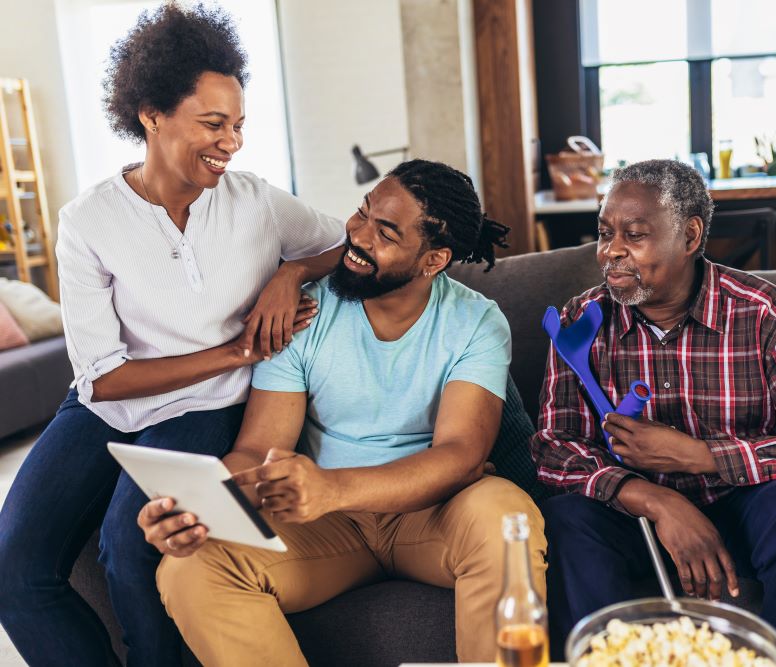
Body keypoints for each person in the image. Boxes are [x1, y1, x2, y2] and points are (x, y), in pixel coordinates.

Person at [0, 5, 345, 666]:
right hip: (105, 406)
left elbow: (342, 244)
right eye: (213, 123)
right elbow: (103, 376)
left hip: (204, 410)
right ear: (152, 114)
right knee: (14, 567)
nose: (231, 141)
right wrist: (237, 351)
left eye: (239, 124)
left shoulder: (257, 203)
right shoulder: (89, 220)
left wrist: (291, 271)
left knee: (130, 548)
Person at [143, 159, 546, 665]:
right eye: (362, 212)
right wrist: (196, 505)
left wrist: (332, 488)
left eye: (386, 232)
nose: (357, 235)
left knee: (505, 514)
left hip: (433, 516)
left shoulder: (476, 322)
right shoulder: (305, 313)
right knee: (189, 568)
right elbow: (255, 449)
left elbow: (462, 455)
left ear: (433, 260)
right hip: (327, 527)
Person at [532, 159, 776, 660]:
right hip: (634, 517)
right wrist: (654, 499)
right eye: (605, 233)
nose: (611, 252)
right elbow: (554, 449)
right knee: (567, 519)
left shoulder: (763, 313)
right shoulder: (582, 321)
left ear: (690, 236)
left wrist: (702, 455)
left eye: (635, 235)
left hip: (745, 507)